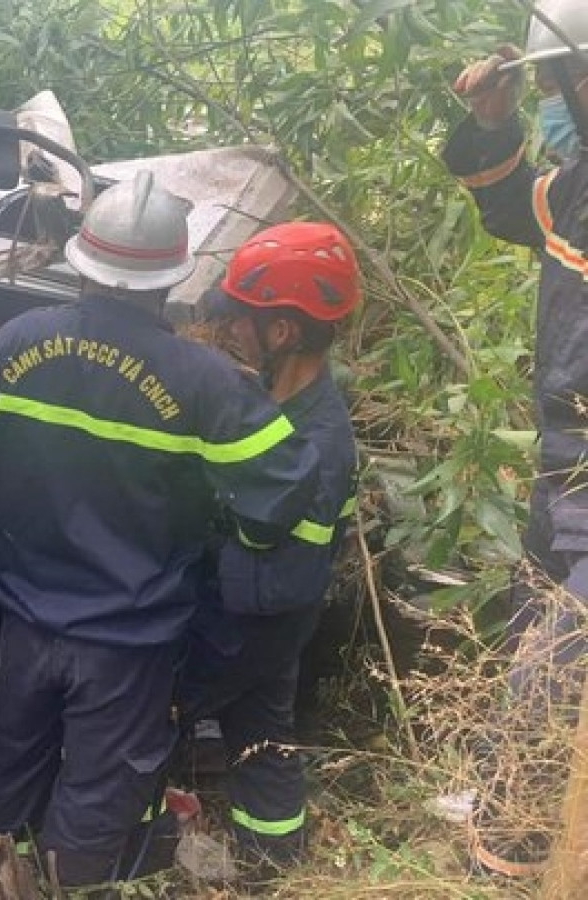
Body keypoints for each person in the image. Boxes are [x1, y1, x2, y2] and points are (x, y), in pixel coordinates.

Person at [0, 170, 322, 888]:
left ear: (82, 262)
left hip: (25, 618)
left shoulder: (14, 340)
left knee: (14, 766)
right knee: (99, 793)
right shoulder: (205, 381)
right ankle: (73, 886)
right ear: (171, 278)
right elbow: (283, 491)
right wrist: (240, 538)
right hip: (125, 640)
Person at [442, 0, 588, 876]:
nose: (551, 99)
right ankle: (521, 837)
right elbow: (508, 206)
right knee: (536, 625)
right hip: (561, 466)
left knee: (558, 665)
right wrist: (491, 124)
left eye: (555, 83)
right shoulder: (575, 185)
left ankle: (512, 847)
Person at [179, 222, 361, 871]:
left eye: (242, 319)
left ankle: (133, 859)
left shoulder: (318, 443)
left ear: (282, 331)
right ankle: (274, 865)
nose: (231, 329)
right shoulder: (278, 401)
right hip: (268, 619)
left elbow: (265, 549)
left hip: (249, 621)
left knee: (149, 719)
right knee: (263, 740)